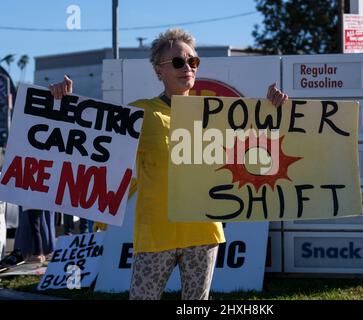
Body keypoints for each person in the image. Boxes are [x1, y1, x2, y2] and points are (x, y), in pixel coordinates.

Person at [49, 28, 288, 300]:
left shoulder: (216, 113)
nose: (187, 67)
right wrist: (62, 104)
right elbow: (91, 139)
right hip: (155, 234)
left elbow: (256, 145)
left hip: (202, 232)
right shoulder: (141, 112)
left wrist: (273, 110)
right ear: (158, 71)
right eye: (177, 62)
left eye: (193, 61)